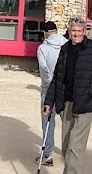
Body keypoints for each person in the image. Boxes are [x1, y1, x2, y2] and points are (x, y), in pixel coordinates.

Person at [43, 18, 92, 174]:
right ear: (69, 31)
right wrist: (49, 101)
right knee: (67, 145)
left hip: (86, 103)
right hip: (67, 102)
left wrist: (91, 89)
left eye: (79, 31)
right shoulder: (65, 49)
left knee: (76, 146)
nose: (76, 34)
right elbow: (57, 77)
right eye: (74, 31)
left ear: (85, 32)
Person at [36, 21, 67, 167]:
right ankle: (69, 154)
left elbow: (43, 69)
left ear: (45, 33)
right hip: (65, 88)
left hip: (49, 89)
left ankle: (47, 154)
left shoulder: (42, 48)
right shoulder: (66, 44)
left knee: (48, 122)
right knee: (67, 122)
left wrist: (50, 85)